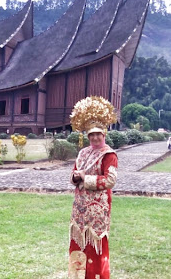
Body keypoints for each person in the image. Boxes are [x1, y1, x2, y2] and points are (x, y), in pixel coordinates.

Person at [68, 96, 118, 279]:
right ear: (87, 136)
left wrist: (85, 179)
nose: (95, 137)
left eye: (98, 134)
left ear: (104, 134)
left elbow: (110, 181)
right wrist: (75, 177)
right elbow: (75, 173)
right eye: (91, 134)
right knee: (78, 245)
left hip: (97, 209)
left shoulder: (109, 154)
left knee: (96, 246)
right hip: (79, 209)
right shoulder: (83, 153)